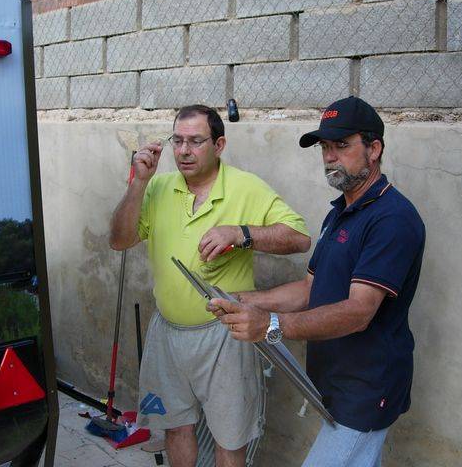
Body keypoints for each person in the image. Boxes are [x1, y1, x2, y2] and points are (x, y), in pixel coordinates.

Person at [208, 96, 426, 466]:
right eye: (325, 147)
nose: (329, 156)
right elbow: (309, 289)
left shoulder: (392, 219)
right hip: (337, 381)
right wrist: (245, 299)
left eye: (341, 145)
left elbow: (359, 312)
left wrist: (271, 325)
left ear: (374, 149)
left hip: (367, 388)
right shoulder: (340, 213)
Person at [109, 105, 311, 467]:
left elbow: (299, 238)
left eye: (196, 141)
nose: (184, 151)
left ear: (219, 145)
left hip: (225, 335)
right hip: (167, 332)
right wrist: (138, 183)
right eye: (178, 141)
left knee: (229, 439)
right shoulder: (157, 187)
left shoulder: (245, 186)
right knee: (175, 428)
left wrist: (240, 233)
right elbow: (119, 240)